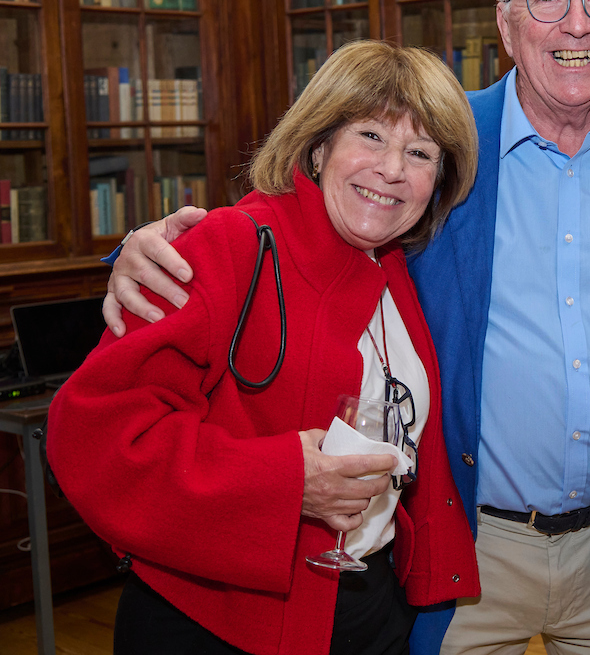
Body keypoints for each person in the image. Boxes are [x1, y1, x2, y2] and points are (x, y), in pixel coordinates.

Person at [101, 0, 590, 655]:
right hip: (459, 544)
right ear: (505, 21)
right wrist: (141, 251)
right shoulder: (441, 143)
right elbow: (296, 230)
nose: (575, 23)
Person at [47, 41, 481, 655]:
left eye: (420, 152)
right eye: (371, 136)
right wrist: (284, 482)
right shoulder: (227, 245)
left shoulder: (398, 271)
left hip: (369, 608)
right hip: (221, 621)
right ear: (318, 143)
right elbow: (95, 438)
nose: (392, 169)